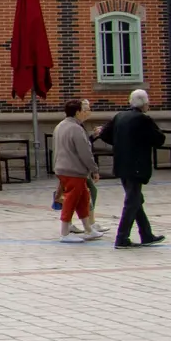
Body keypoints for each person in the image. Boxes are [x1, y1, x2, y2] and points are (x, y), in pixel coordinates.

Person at [97, 88, 166, 249]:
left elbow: (104, 134)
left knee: (135, 199)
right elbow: (159, 139)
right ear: (144, 104)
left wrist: (120, 143)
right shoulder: (143, 119)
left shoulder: (119, 116)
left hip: (122, 163)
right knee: (132, 201)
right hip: (136, 165)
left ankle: (146, 234)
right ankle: (121, 237)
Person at [52, 99, 102, 242]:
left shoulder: (60, 126)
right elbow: (85, 152)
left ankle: (88, 228)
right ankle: (65, 233)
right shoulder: (76, 128)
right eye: (82, 110)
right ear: (78, 112)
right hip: (74, 170)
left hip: (62, 168)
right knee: (71, 200)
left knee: (83, 198)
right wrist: (94, 169)